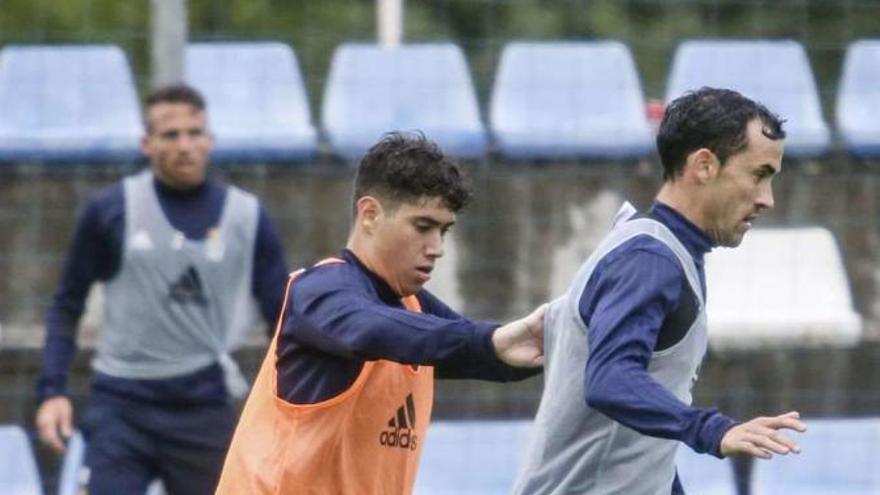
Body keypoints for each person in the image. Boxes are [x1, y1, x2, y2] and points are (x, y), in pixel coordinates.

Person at [512, 87, 808, 495]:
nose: (767, 199)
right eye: (759, 175)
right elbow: (611, 379)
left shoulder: (663, 251)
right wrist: (711, 429)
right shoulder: (649, 259)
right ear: (704, 165)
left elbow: (638, 446)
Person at [215, 132, 546, 495]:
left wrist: (565, 334)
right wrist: (490, 342)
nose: (437, 248)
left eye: (444, 230)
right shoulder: (320, 291)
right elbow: (371, 330)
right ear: (370, 214)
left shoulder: (412, 308)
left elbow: (485, 352)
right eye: (422, 226)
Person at [34, 84, 289, 495]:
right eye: (171, 135)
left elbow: (285, 318)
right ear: (147, 144)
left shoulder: (247, 217)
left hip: (205, 407)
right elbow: (67, 304)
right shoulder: (110, 211)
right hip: (121, 406)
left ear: (210, 140)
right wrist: (52, 391)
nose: (185, 145)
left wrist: (290, 402)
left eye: (195, 133)